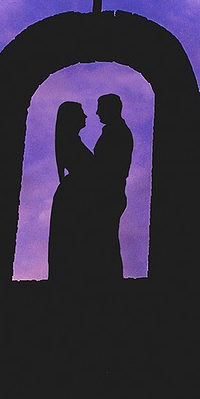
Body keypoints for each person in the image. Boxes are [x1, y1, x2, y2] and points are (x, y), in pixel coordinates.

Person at [48, 101, 96, 283]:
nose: (85, 116)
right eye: (81, 113)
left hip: (75, 195)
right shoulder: (72, 143)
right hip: (75, 198)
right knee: (73, 246)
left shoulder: (72, 141)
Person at [91, 93, 132, 280]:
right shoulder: (114, 131)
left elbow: (108, 165)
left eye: (101, 108)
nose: (97, 112)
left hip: (109, 193)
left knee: (105, 240)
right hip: (109, 192)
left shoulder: (117, 132)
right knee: (104, 239)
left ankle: (109, 281)